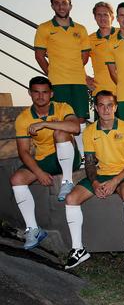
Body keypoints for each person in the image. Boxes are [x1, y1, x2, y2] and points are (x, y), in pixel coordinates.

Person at [63, 90, 124, 270]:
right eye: (101, 105)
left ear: (115, 107)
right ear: (96, 108)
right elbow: (89, 163)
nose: (106, 109)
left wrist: (114, 182)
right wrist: (96, 183)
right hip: (102, 173)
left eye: (109, 105)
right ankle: (78, 248)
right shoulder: (90, 132)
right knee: (71, 199)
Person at [11, 76, 81, 249]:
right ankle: (33, 229)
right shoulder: (23, 118)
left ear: (51, 94)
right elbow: (23, 152)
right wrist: (38, 173)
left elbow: (75, 128)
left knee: (60, 133)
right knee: (16, 180)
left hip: (68, 157)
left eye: (44, 92)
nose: (40, 96)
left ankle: (67, 182)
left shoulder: (62, 107)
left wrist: (45, 124)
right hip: (44, 160)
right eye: (36, 92)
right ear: (30, 93)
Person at [34, 0, 90, 160]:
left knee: (80, 118)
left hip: (79, 81)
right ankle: (68, 155)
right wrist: (52, 72)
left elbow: (85, 56)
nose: (61, 6)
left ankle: (82, 157)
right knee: (62, 119)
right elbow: (39, 55)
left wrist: (72, 69)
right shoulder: (44, 28)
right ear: (52, 6)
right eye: (57, 3)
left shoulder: (80, 29)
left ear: (70, 5)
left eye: (64, 3)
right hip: (57, 82)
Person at [87, 1, 118, 102]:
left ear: (112, 17)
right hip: (101, 92)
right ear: (95, 18)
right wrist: (85, 78)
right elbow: (76, 60)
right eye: (99, 15)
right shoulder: (89, 40)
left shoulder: (123, 33)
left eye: (105, 14)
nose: (102, 18)